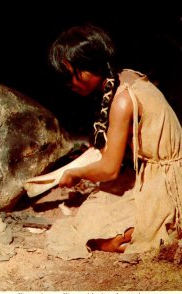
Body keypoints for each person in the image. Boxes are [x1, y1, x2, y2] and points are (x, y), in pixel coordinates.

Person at [45, 23, 182, 260]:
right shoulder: (125, 77)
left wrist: (76, 174)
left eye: (71, 76)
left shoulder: (122, 101)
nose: (69, 85)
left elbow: (109, 170)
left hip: (168, 180)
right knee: (93, 211)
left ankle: (134, 237)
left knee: (93, 227)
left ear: (89, 67)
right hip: (153, 171)